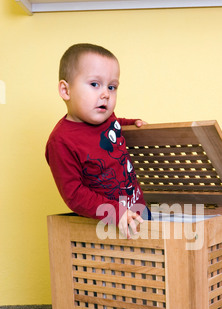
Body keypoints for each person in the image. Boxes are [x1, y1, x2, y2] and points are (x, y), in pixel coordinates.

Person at [45, 43, 150, 239]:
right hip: (106, 227)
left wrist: (131, 123)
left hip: (139, 210)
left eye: (112, 87)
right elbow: (74, 195)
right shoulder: (61, 141)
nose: (106, 94)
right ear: (65, 90)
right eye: (95, 84)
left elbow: (114, 124)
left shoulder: (106, 118)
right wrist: (115, 212)